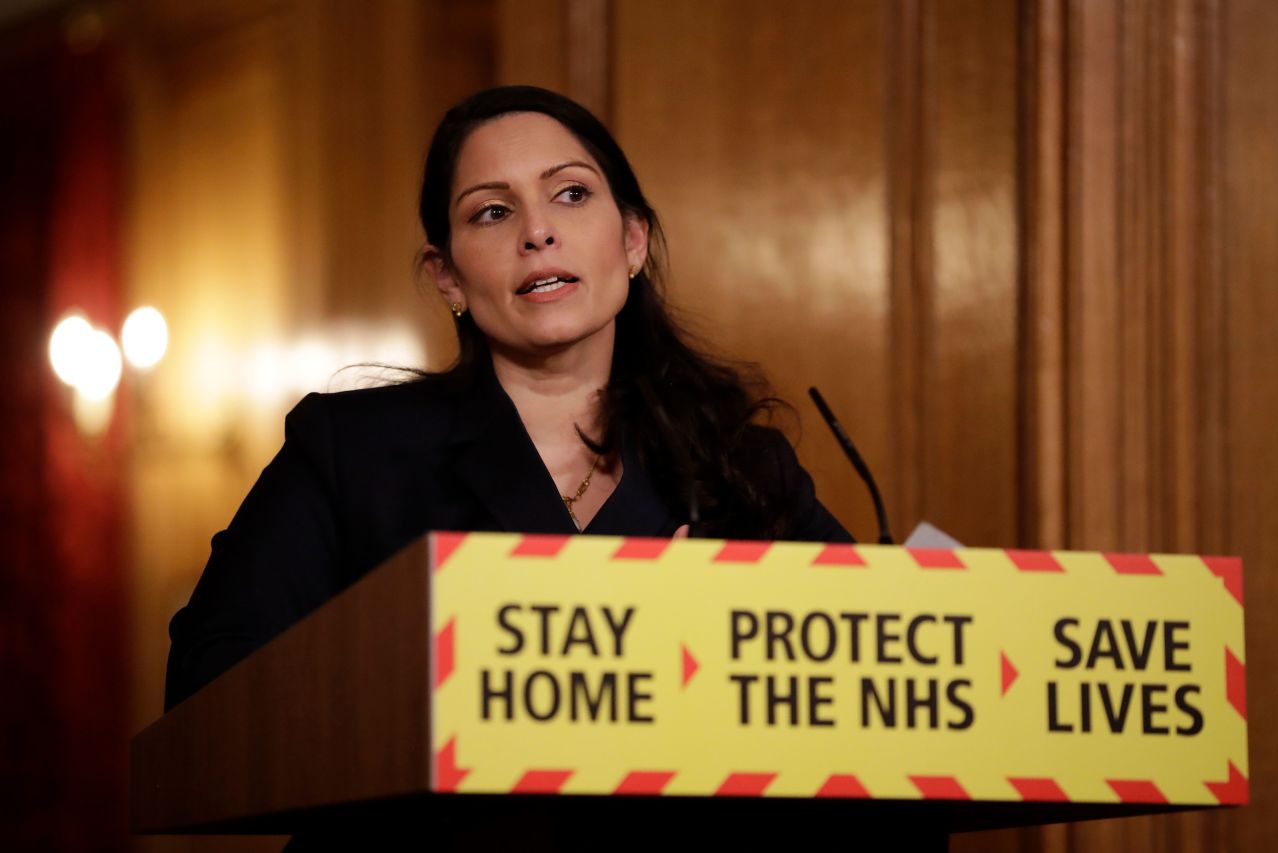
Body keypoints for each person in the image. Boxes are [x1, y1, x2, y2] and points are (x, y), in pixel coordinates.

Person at [164, 85, 852, 712]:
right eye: (492, 211)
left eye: (572, 194)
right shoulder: (353, 451)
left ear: (633, 239)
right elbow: (206, 683)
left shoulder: (741, 465)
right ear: (449, 278)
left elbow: (862, 679)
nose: (536, 231)